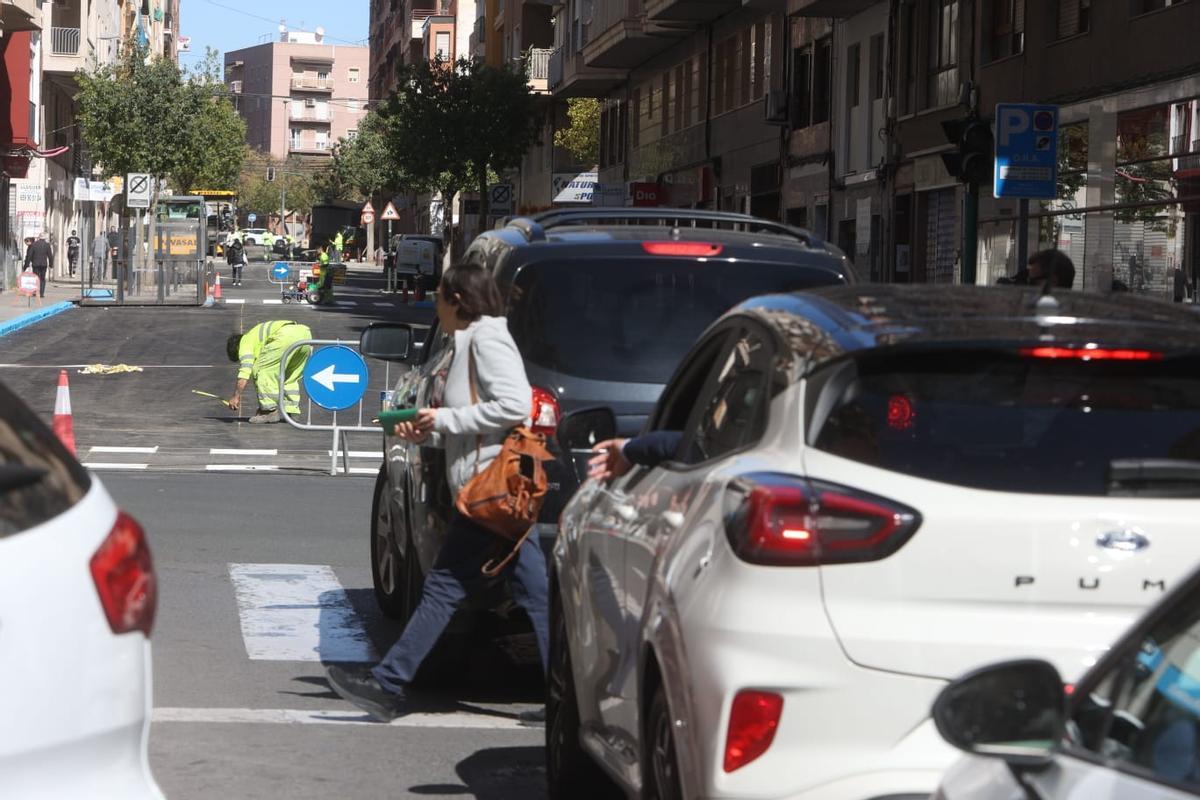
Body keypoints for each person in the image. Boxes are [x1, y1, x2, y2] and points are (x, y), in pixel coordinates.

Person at [325, 263, 547, 723]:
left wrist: (443, 420)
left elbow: (515, 405)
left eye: (440, 298)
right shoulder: (467, 342)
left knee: (446, 586)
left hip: (491, 488)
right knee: (533, 592)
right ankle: (572, 701)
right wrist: (426, 431)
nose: (436, 306)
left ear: (458, 301)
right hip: (486, 487)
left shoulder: (487, 339)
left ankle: (387, 684)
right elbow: (471, 424)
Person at [225, 321, 313, 424]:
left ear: (237, 348)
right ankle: (292, 412)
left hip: (285, 337)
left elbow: (245, 371)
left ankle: (269, 412)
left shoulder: (245, 343)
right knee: (289, 376)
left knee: (261, 370)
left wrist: (236, 396)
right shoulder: (254, 336)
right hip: (304, 334)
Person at [24, 232, 53, 298]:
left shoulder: (34, 244)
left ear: (39, 238)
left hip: (35, 264)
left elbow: (29, 255)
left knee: (35, 278)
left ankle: (35, 292)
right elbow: (50, 256)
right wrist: (51, 265)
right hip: (44, 264)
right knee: (42, 278)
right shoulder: (47, 245)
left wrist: (26, 265)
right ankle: (41, 293)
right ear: (44, 238)